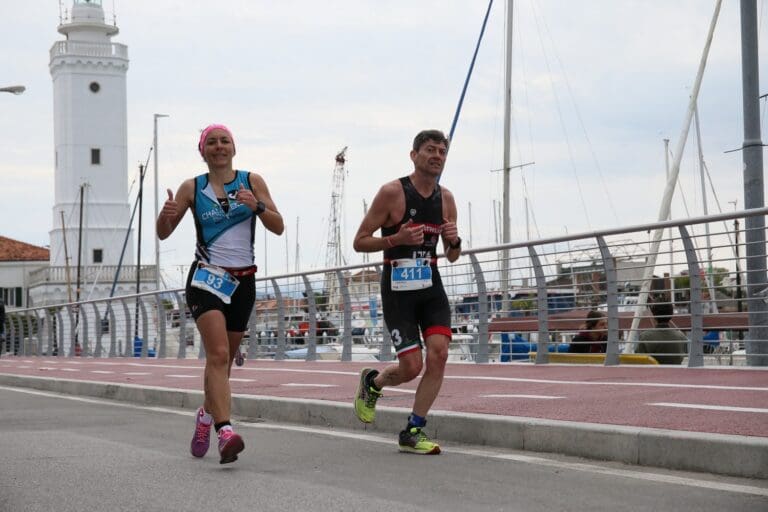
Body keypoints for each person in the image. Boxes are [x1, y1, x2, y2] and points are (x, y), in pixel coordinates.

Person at [156, 124, 284, 464]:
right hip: (207, 280)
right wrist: (165, 216)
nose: (218, 147)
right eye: (211, 142)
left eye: (224, 141)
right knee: (217, 353)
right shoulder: (192, 187)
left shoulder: (252, 181)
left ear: (234, 148)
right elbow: (164, 234)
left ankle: (205, 415)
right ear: (203, 151)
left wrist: (256, 206)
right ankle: (225, 431)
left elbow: (278, 225)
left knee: (223, 362)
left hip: (243, 282)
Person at [352, 129, 461, 455]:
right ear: (414, 155)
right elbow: (359, 241)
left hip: (430, 286)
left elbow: (453, 255)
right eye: (430, 149)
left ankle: (413, 430)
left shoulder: (447, 199)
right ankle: (373, 384)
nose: (437, 156)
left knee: (439, 354)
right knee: (412, 367)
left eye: (442, 151)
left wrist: (454, 240)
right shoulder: (392, 193)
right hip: (398, 290)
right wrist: (395, 240)